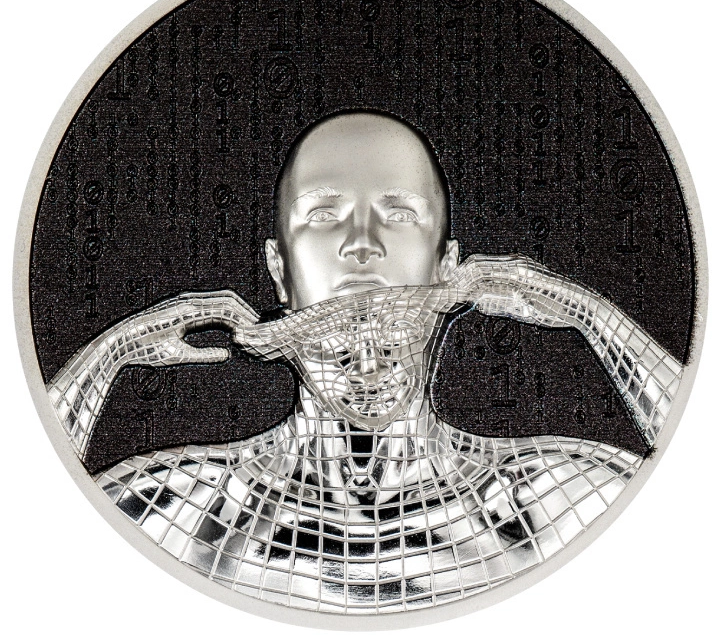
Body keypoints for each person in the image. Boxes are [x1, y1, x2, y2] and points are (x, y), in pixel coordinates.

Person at [47, 111, 682, 614]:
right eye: (325, 216)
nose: (361, 244)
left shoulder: (549, 498)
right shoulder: (184, 507)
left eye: (398, 215)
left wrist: (592, 317)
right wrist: (108, 356)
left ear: (447, 267)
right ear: (279, 272)